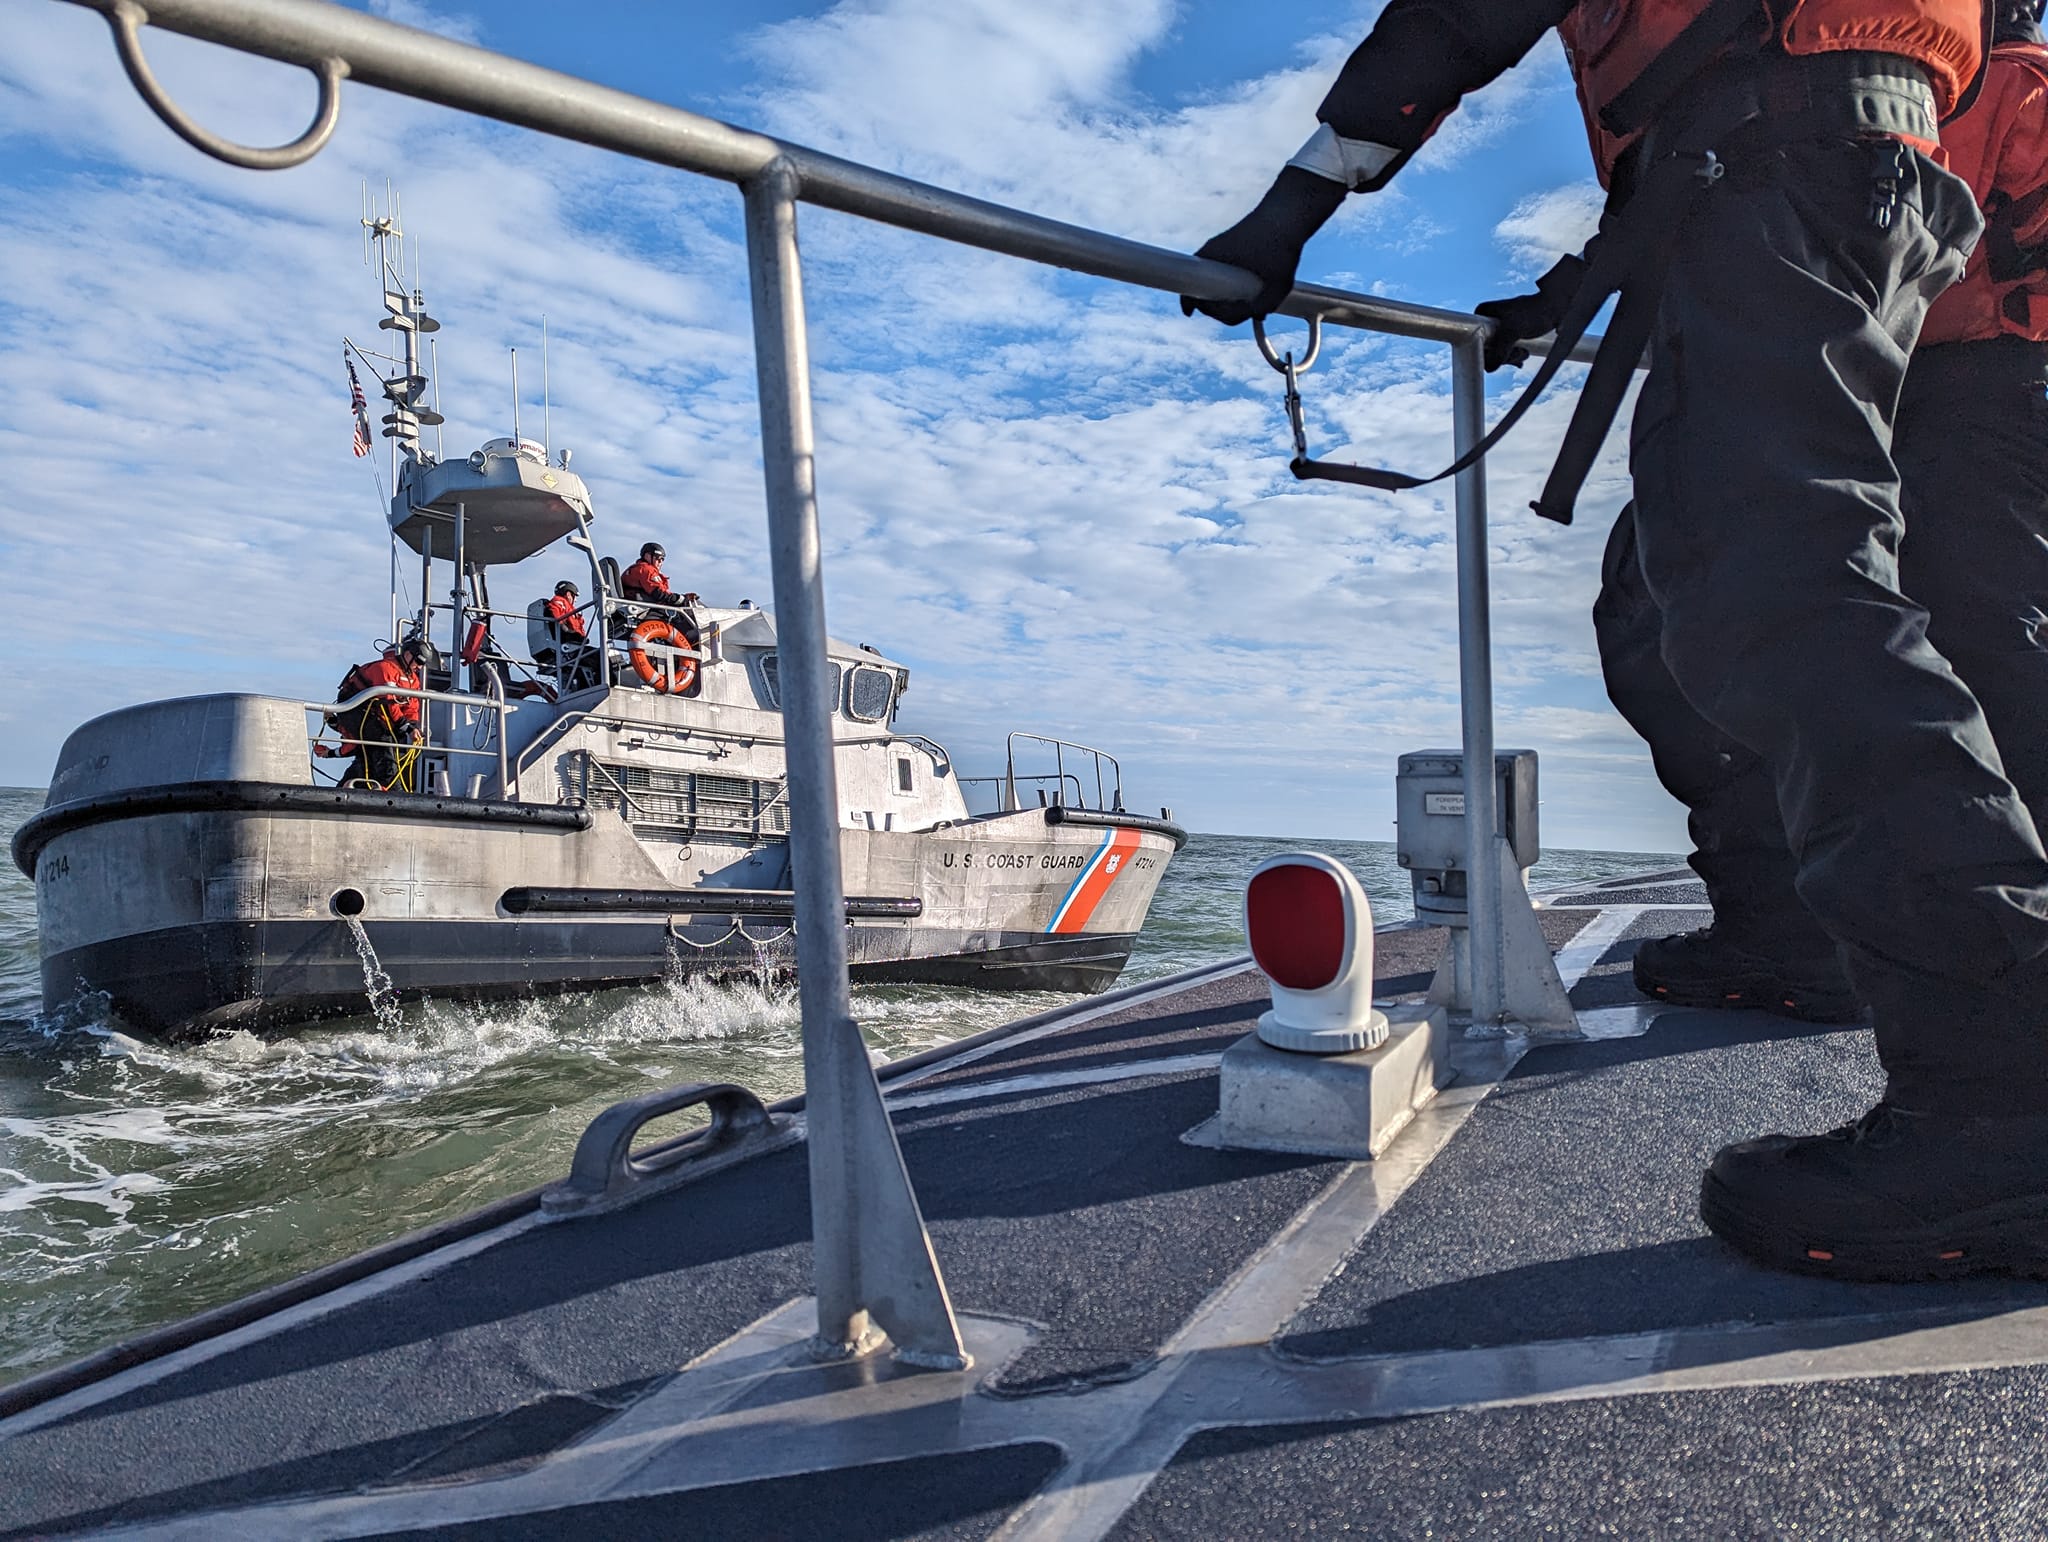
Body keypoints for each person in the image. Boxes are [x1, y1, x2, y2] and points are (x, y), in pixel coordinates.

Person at [1181, 0, 2048, 1283]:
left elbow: (1459, 21)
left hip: (1807, 207)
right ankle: (1805, 941)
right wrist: (1575, 289)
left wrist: (1291, 207)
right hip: (1809, 190)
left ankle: (2000, 1093)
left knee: (1787, 600)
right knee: (1685, 599)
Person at [1527, 0, 2048, 1031]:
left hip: (1970, 391)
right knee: (1656, 607)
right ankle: (1784, 923)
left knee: (1982, 636)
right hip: (1842, 352)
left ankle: (1991, 970)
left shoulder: (2019, 90)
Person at [326, 632, 434, 792]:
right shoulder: (385, 669)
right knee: (383, 745)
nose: (419, 666)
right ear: (408, 654)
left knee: (367, 752)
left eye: (423, 664)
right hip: (355, 709)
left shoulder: (413, 680)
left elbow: (412, 707)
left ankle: (344, 789)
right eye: (418, 661)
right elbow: (389, 701)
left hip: (377, 716)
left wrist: (413, 726)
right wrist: (407, 728)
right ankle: (395, 793)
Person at [538, 579, 599, 691]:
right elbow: (556, 618)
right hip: (568, 648)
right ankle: (610, 685)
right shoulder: (559, 602)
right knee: (600, 656)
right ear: (568, 594)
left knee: (590, 662)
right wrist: (570, 633)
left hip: (573, 647)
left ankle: (587, 689)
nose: (575, 601)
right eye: (575, 596)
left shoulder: (570, 609)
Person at [619, 543, 693, 609]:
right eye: (658, 557)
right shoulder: (646, 570)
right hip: (645, 609)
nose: (660, 561)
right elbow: (659, 594)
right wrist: (683, 599)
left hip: (638, 607)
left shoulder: (636, 569)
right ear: (647, 555)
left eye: (662, 559)